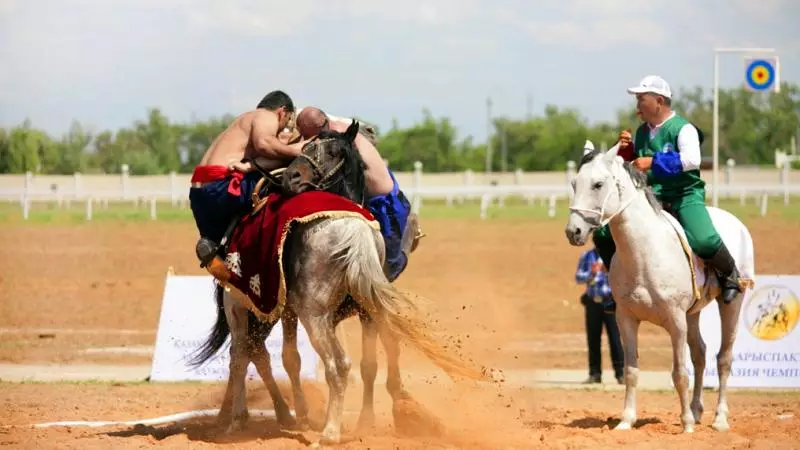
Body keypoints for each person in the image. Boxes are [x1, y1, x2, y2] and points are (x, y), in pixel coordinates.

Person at [591, 75, 742, 304]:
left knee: (704, 240)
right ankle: (618, 283)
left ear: (658, 101)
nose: (637, 105)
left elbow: (692, 160)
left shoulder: (684, 129)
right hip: (652, 196)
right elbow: (635, 165)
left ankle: (730, 275)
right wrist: (627, 151)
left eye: (641, 99)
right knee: (603, 233)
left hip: (684, 193)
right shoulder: (642, 132)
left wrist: (652, 162)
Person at [294, 106, 416, 282]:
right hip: (366, 197)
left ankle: (409, 233)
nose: (308, 140)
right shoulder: (331, 127)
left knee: (387, 269)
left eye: (311, 137)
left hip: (384, 202)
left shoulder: (338, 136)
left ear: (322, 128)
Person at [189, 90, 308, 267]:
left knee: (223, 255)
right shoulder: (265, 115)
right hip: (223, 188)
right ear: (282, 111)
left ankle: (217, 245)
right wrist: (298, 151)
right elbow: (265, 144)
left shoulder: (243, 120)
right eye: (285, 121)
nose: (282, 128)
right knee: (285, 177)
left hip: (199, 195)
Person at [575, 240, 624, 385]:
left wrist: (608, 271)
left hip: (610, 301)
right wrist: (592, 273)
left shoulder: (614, 256)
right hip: (593, 302)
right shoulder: (587, 255)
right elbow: (578, 277)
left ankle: (620, 373)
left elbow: (622, 277)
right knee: (593, 339)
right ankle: (594, 374)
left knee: (615, 339)